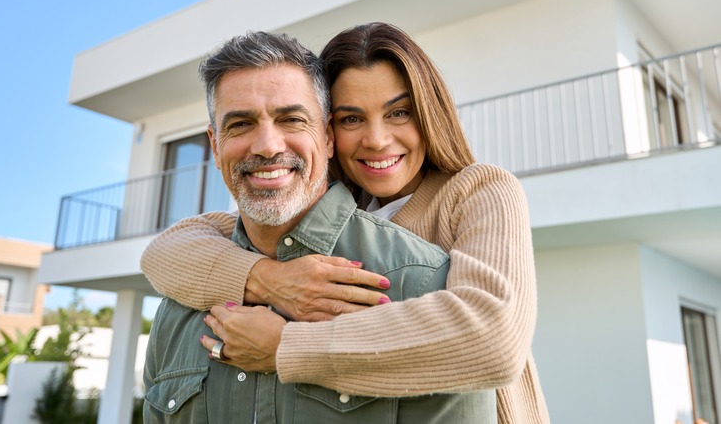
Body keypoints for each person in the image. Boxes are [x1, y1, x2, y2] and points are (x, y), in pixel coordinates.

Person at [142, 23, 550, 423]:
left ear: (429, 113)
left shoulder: (478, 191)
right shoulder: (328, 197)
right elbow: (166, 252)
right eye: (352, 119)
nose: (376, 139)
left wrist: (285, 346)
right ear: (330, 132)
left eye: (399, 112)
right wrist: (267, 278)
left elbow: (495, 340)